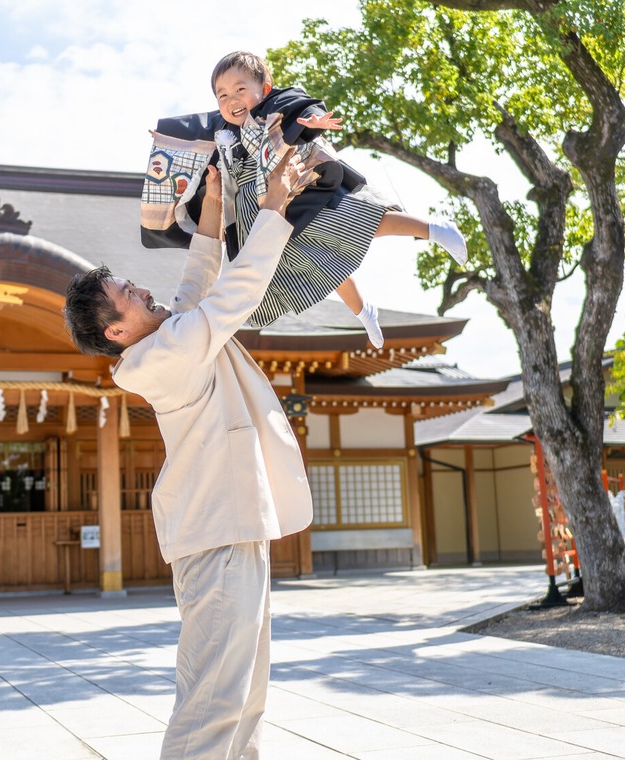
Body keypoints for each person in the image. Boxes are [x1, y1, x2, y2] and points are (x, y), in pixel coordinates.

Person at [64, 147, 316, 759]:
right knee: (213, 700)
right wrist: (274, 210)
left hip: (233, 528)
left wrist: (212, 212)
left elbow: (192, 288)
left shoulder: (166, 340)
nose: (142, 289)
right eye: (128, 293)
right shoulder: (165, 354)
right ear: (117, 331)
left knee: (245, 696)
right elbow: (231, 296)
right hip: (215, 536)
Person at [140, 49, 469, 349]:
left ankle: (434, 229)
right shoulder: (222, 130)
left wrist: (310, 123)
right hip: (256, 211)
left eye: (241, 89)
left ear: (265, 89)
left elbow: (298, 111)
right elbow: (190, 138)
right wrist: (171, 141)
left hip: (293, 184)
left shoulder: (274, 107)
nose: (232, 100)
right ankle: (363, 310)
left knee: (354, 220)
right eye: (222, 95)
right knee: (314, 262)